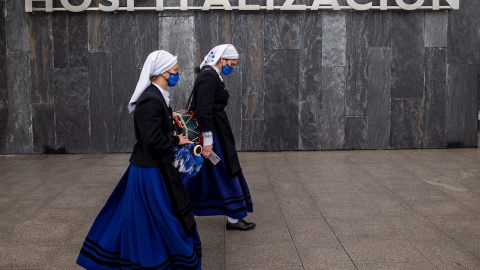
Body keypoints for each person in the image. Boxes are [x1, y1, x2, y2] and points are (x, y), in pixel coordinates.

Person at [76, 50, 202, 269]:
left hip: (152, 167)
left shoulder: (156, 96)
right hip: (149, 171)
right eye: (174, 71)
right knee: (157, 217)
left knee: (144, 217)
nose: (177, 75)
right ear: (162, 73)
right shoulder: (150, 100)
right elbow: (151, 140)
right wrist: (175, 140)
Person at [184, 44, 255, 231]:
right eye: (231, 64)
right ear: (221, 59)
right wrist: (208, 141)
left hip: (215, 130)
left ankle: (181, 210)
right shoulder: (209, 76)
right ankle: (233, 216)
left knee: (201, 173)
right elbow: (204, 110)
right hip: (213, 132)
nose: (232, 67)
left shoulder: (211, 74)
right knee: (224, 170)